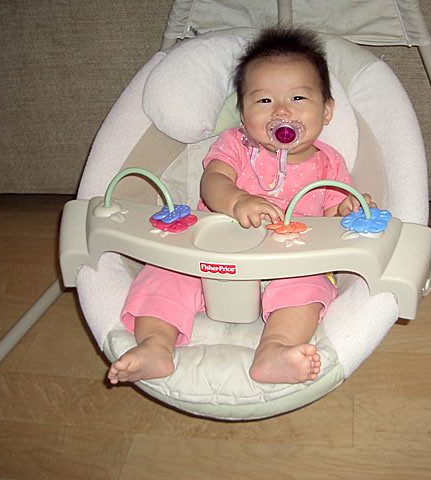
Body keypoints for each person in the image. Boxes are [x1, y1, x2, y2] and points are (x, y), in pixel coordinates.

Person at [108, 26, 373, 386]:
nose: (281, 111)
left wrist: (349, 211)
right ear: (243, 112)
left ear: (326, 111)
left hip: (290, 264)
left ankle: (275, 349)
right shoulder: (236, 144)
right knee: (165, 271)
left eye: (298, 99)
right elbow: (213, 180)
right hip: (212, 259)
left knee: (307, 288)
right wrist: (236, 201)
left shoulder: (329, 165)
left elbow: (334, 215)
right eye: (263, 101)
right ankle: (155, 344)